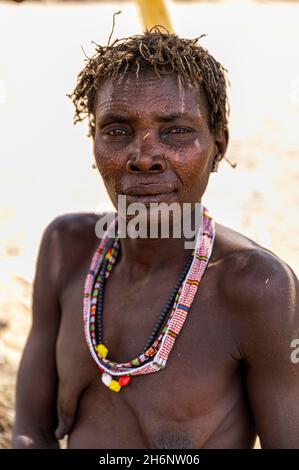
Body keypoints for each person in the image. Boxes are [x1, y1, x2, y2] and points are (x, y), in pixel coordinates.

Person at [13, 28, 299, 449]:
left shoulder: (260, 288)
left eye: (176, 131)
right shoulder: (65, 249)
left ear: (217, 147)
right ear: (94, 145)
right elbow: (29, 431)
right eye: (117, 130)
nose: (144, 157)